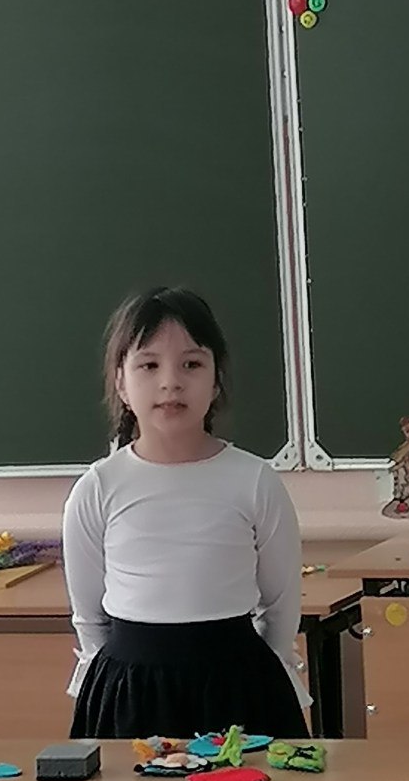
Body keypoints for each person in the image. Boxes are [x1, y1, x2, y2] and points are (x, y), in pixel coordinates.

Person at [62, 286, 309, 747]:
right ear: (121, 383)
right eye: (149, 365)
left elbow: (280, 607)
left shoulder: (255, 480)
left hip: (238, 687)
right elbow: (90, 619)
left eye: (191, 364)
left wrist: (268, 681)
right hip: (131, 694)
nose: (171, 382)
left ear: (215, 382)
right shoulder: (97, 488)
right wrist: (112, 683)